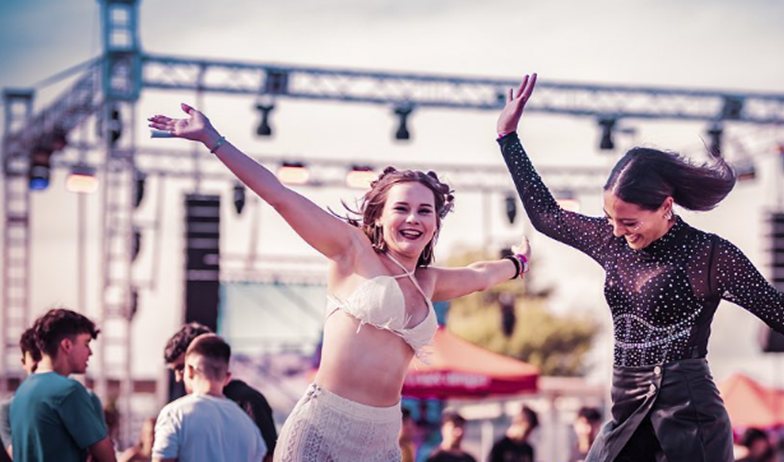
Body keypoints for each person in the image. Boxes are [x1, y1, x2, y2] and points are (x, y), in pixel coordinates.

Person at [495, 73, 784, 462]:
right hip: (626, 403)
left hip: (687, 411)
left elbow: (782, 312)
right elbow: (547, 215)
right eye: (610, 218)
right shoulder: (611, 243)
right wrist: (508, 139)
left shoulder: (709, 256)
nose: (615, 231)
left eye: (628, 221)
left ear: (665, 206)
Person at [149, 104, 531, 461]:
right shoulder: (353, 251)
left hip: (383, 438)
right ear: (379, 217)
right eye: (401, 208)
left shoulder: (427, 282)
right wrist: (213, 140)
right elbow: (280, 196)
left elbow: (481, 275)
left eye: (424, 211)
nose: (413, 218)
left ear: (434, 224)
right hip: (323, 427)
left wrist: (517, 262)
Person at [9, 309, 116, 462]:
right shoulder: (69, 391)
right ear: (67, 345)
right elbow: (107, 458)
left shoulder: (21, 392)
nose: (90, 352)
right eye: (86, 343)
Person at [163, 322, 278, 461]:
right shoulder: (184, 410)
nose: (178, 377)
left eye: (181, 368)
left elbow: (269, 457)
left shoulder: (247, 400)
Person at [1, 327, 42, 460]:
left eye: (44, 356)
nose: (40, 363)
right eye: (35, 356)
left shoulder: (76, 397)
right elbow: (18, 455)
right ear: (23, 362)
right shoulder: (8, 407)